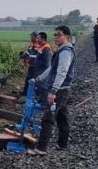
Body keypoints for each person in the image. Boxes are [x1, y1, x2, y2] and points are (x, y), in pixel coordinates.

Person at [27, 25, 76, 156]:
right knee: (62, 117)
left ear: (67, 36)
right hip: (63, 90)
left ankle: (41, 148)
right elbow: (51, 69)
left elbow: (62, 72)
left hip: (59, 90)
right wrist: (38, 79)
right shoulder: (61, 50)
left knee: (48, 118)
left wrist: (53, 91)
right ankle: (63, 144)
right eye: (55, 35)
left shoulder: (65, 51)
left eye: (59, 35)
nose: (56, 37)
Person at [33, 32, 52, 102]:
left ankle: (45, 103)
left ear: (43, 39)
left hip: (42, 73)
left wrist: (44, 75)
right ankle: (41, 100)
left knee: (43, 87)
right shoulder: (42, 46)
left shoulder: (46, 48)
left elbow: (48, 63)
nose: (36, 39)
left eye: (38, 38)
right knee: (39, 87)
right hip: (38, 71)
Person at [21, 31, 39, 96]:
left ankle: (33, 95)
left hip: (36, 67)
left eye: (32, 36)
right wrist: (22, 56)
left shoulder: (39, 46)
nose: (30, 37)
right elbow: (27, 53)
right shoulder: (31, 45)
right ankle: (25, 94)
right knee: (28, 80)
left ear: (35, 37)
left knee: (34, 82)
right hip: (31, 66)